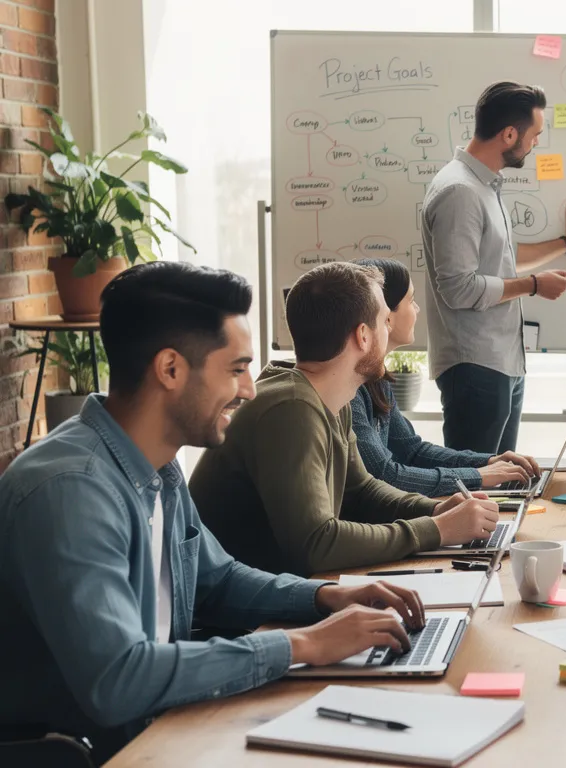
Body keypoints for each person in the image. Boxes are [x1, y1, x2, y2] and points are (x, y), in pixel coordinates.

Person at [0, 262, 433, 761]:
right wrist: (301, 647)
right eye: (235, 368)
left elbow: (219, 579)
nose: (249, 388)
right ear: (170, 370)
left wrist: (327, 598)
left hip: (163, 730)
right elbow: (119, 678)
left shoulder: (156, 469)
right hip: (101, 752)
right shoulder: (69, 492)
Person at [191, 262, 499, 577]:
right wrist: (435, 530)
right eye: (384, 320)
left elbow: (361, 490)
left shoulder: (331, 399)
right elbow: (317, 544)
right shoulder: (291, 409)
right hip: (249, 618)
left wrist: (434, 509)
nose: (389, 328)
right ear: (363, 336)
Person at [425, 81, 566, 455]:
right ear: (508, 134)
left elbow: (502, 257)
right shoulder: (460, 192)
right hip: (475, 365)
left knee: (501, 488)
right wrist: (534, 286)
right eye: (534, 135)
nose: (535, 144)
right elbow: (458, 287)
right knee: (480, 490)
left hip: (501, 361)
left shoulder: (482, 186)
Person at [349, 257, 542, 495]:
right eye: (411, 300)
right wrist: (477, 475)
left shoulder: (377, 379)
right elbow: (384, 474)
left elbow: (412, 451)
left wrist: (488, 462)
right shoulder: (348, 390)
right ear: (386, 315)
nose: (418, 309)